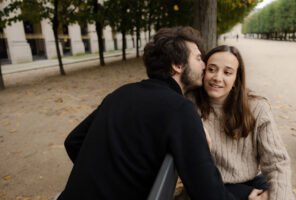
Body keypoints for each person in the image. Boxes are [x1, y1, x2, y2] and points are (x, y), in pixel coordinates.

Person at [57, 27, 237, 200]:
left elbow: (73, 141)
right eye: (198, 59)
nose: (204, 65)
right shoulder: (179, 109)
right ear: (177, 65)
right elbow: (208, 192)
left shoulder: (120, 93)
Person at [189, 45, 295, 200]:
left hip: (253, 182)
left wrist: (275, 196)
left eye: (227, 72)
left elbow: (277, 162)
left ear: (236, 79)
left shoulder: (257, 108)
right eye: (211, 69)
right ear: (203, 72)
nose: (217, 78)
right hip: (212, 188)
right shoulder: (189, 104)